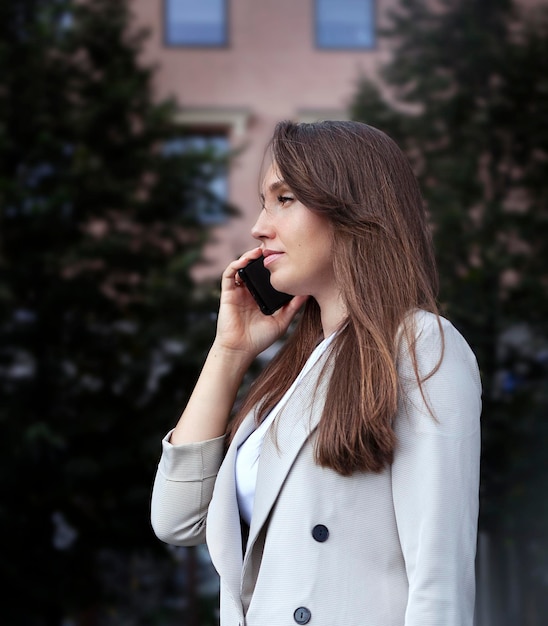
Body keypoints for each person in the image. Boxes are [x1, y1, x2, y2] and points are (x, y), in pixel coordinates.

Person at [151, 120, 482, 626]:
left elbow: (438, 572)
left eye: (285, 200)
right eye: (265, 203)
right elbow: (177, 520)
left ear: (352, 212)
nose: (260, 227)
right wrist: (229, 351)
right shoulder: (285, 385)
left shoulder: (420, 345)